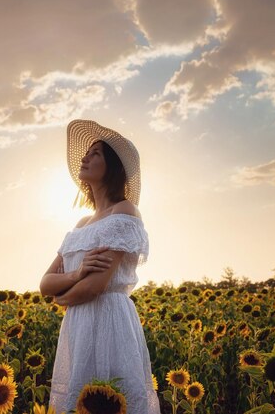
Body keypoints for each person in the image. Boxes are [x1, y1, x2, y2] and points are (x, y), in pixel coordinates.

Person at [39, 119, 162, 414]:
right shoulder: (80, 224)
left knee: (113, 396)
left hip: (110, 321)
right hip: (78, 325)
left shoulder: (124, 212)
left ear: (114, 167)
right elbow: (44, 283)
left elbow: (96, 287)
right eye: (87, 152)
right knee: (80, 399)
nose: (86, 157)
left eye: (95, 153)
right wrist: (78, 273)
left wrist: (64, 296)